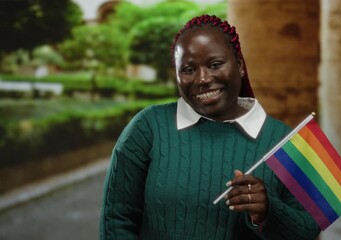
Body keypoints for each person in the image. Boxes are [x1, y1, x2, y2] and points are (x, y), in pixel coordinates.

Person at [100, 15, 320, 239]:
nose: (203, 79)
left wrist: (267, 212)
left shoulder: (288, 141)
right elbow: (116, 221)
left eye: (215, 65)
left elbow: (310, 232)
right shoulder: (148, 128)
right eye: (188, 69)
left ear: (240, 66)